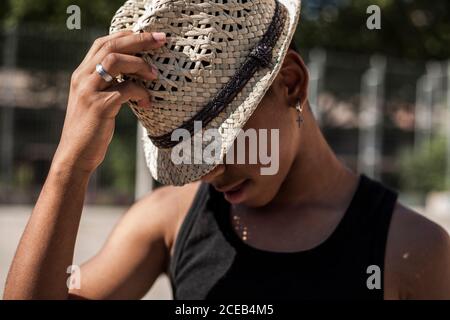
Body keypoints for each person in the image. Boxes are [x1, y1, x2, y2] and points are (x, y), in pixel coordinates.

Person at [4, 16, 450, 301]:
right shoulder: (169, 222)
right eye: (183, 145)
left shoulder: (411, 249)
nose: (205, 168)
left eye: (217, 138)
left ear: (290, 83)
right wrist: (69, 168)